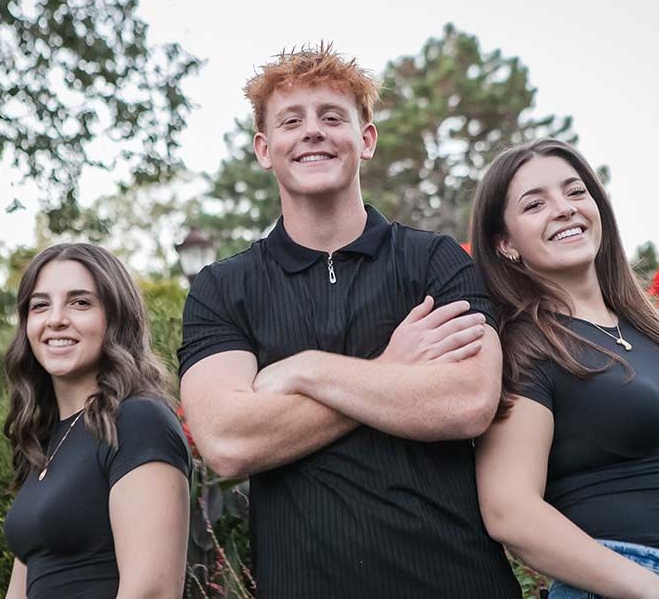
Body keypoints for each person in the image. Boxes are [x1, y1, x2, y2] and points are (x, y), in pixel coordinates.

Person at [177, 45, 521, 598]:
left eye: (332, 117)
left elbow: (466, 403)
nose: (313, 131)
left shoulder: (436, 262)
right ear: (265, 150)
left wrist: (306, 370)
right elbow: (228, 441)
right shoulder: (224, 288)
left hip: (458, 582)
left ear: (366, 139)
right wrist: (390, 370)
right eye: (292, 121)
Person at [469, 139, 659, 599]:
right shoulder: (523, 347)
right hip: (625, 588)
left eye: (575, 192)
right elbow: (510, 510)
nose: (563, 209)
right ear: (506, 243)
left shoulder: (649, 330)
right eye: (535, 204)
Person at [2, 243, 191, 599]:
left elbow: (152, 590)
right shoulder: (45, 441)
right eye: (40, 305)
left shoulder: (138, 422)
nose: (55, 318)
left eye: (80, 302)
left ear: (116, 318)